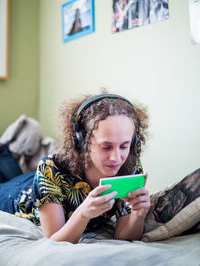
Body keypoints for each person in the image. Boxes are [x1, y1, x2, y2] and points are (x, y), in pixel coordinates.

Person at [0, 93, 150, 243]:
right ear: (81, 139)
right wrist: (83, 214)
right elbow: (54, 240)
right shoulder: (51, 167)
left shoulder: (129, 166)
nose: (116, 158)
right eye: (106, 147)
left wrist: (138, 214)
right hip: (17, 192)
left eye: (124, 146)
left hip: (34, 179)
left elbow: (124, 236)